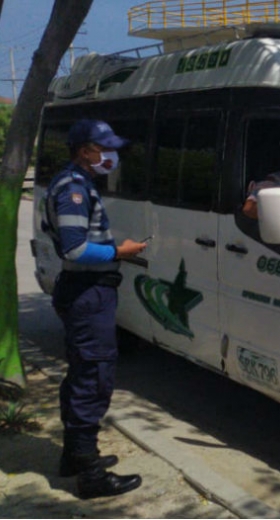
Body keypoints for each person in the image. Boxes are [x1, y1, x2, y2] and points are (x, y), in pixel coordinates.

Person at [44, 119, 148, 499]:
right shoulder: (72, 188)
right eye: (104, 147)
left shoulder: (77, 182)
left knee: (82, 373)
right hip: (88, 293)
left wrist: (114, 250)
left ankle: (75, 456)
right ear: (85, 150)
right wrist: (120, 251)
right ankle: (89, 476)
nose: (111, 155)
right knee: (93, 378)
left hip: (87, 291)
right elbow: (74, 249)